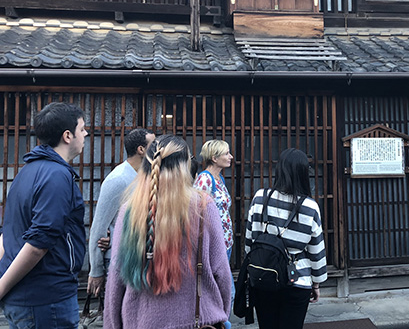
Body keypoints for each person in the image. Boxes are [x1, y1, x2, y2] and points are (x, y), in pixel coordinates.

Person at [104, 134, 231, 329]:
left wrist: (112, 325)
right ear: (184, 167)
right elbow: (221, 272)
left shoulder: (130, 209)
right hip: (195, 320)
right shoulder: (203, 206)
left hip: (140, 321)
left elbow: (116, 277)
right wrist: (221, 313)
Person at [0, 102, 88, 328]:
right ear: (67, 135)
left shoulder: (27, 170)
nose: (86, 133)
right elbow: (39, 243)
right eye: (82, 129)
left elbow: (8, 233)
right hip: (46, 298)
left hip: (27, 296)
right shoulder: (57, 175)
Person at [244, 148, 327, 329]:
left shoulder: (260, 198)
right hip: (297, 280)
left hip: (264, 277)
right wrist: (317, 283)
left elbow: (249, 242)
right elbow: (316, 251)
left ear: (279, 170)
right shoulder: (309, 207)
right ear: (304, 173)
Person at [87, 128, 155, 298]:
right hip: (119, 259)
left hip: (141, 256)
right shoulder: (118, 179)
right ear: (141, 150)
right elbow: (99, 228)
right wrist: (96, 270)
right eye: (154, 144)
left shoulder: (148, 174)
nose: (158, 147)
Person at [194, 139, 235, 328]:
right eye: (226, 153)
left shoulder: (219, 179)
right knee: (226, 290)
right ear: (214, 157)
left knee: (223, 288)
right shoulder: (205, 179)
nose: (230, 157)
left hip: (225, 242)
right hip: (213, 244)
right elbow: (196, 212)